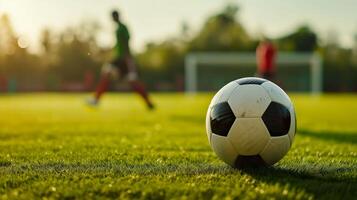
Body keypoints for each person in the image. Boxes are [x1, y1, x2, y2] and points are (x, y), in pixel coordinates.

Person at [87, 10, 154, 109]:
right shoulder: (118, 28)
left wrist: (127, 58)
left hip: (125, 58)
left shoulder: (122, 28)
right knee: (107, 73)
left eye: (114, 16)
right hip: (119, 58)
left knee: (133, 81)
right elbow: (118, 45)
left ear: (117, 16)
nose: (113, 18)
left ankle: (149, 103)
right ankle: (96, 100)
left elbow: (126, 41)